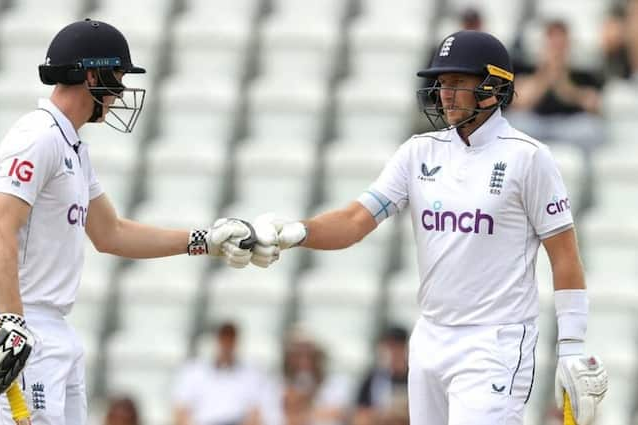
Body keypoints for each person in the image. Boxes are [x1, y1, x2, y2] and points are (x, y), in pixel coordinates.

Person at [240, 30, 609, 425]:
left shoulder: (529, 159)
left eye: (457, 83)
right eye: (441, 82)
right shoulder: (419, 152)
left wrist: (571, 345)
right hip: (431, 336)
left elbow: (565, 255)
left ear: (492, 87)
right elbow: (354, 222)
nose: (444, 94)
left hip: (494, 342)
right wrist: (296, 231)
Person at [0, 19, 257, 425]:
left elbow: (111, 233)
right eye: (116, 78)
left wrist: (204, 240)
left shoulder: (73, 147)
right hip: (17, 319)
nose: (119, 92)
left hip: (50, 326)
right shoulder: (37, 136)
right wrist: (13, 322)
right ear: (91, 74)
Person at [507, 20, 606, 153]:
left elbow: (594, 105)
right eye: (552, 43)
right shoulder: (528, 69)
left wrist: (564, 84)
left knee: (591, 128)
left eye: (561, 43)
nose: (557, 48)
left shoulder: (584, 72)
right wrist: (544, 76)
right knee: (515, 124)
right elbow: (519, 102)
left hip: (570, 125)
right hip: (537, 124)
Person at [172, 321, 265, 425]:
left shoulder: (251, 374)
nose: (226, 345)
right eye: (223, 339)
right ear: (216, 341)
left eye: (230, 340)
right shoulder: (193, 372)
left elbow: (256, 415)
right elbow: (180, 412)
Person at [352, 326, 409, 425]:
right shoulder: (374, 378)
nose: (392, 352)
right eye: (388, 346)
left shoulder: (414, 378)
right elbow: (359, 415)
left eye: (396, 346)